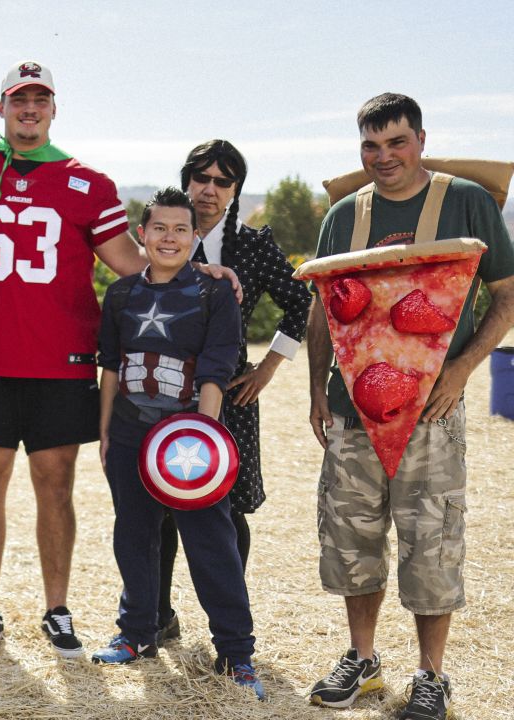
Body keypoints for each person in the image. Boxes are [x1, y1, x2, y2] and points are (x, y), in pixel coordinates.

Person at [0, 60, 156, 659]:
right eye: (18, 99)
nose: (28, 109)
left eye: (40, 100)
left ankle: (57, 609)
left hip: (62, 360)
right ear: (0, 107)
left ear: (54, 109)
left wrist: (197, 276)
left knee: (56, 486)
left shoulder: (88, 183)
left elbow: (131, 264)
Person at [306, 93, 514, 720]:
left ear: (420, 139)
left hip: (431, 414)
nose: (384, 156)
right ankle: (363, 662)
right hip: (349, 412)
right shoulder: (344, 215)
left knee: (431, 544)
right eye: (371, 145)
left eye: (396, 142)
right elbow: (321, 306)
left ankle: (431, 677)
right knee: (352, 542)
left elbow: (505, 298)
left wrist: (459, 370)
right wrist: (317, 388)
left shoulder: (468, 202)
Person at [92, 187, 263, 700]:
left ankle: (236, 653)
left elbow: (216, 368)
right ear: (141, 234)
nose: (169, 238)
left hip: (189, 441)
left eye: (181, 229)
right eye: (159, 228)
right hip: (128, 434)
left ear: (195, 236)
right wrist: (104, 433)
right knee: (134, 535)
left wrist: (202, 437)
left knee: (212, 544)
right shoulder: (121, 294)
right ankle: (137, 632)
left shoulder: (214, 294)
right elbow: (110, 366)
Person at [147, 140, 311, 645]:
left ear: (235, 189)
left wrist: (267, 368)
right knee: (157, 508)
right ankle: (156, 616)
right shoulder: (162, 238)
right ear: (187, 180)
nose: (209, 189)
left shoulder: (253, 246)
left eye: (222, 181)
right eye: (201, 177)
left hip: (231, 397)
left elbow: (302, 301)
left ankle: (229, 623)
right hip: (159, 392)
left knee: (228, 507)